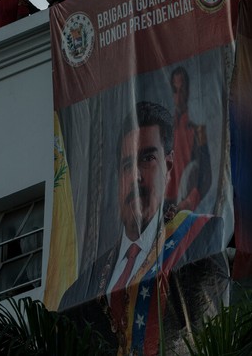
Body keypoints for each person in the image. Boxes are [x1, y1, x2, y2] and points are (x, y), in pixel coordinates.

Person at [57, 101, 227, 356]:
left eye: (147, 159)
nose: (136, 176)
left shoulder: (201, 237)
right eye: (127, 165)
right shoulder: (78, 294)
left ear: (169, 167)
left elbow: (213, 332)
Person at [165, 67, 212, 212]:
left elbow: (206, 175)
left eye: (182, 90)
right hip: (165, 208)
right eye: (175, 90)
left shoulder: (198, 130)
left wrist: (189, 201)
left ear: (188, 91)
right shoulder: (164, 131)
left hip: (187, 208)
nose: (179, 96)